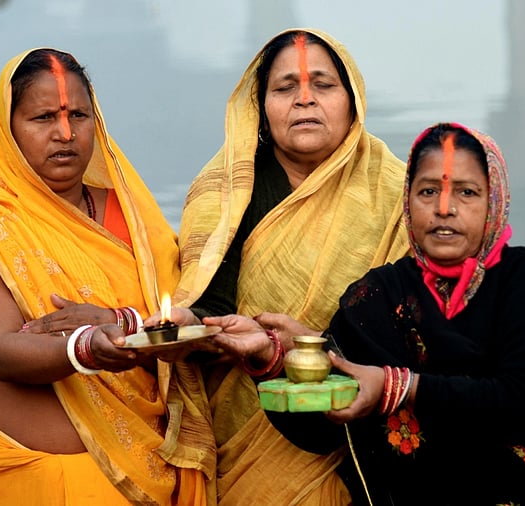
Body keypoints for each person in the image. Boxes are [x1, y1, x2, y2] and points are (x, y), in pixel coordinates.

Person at [206, 122, 525, 505]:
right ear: (407, 200)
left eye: (467, 192)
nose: (444, 209)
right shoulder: (379, 294)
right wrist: (275, 359)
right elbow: (323, 433)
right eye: (428, 191)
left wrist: (399, 387)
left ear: (494, 201)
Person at [0, 48, 214, 505]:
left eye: (78, 115)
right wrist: (88, 346)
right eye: (43, 117)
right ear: (8, 129)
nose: (65, 133)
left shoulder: (137, 220)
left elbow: (179, 323)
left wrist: (121, 322)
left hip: (134, 475)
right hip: (7, 475)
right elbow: (1, 351)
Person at [161, 28, 410, 504]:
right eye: (284, 88)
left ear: (353, 100)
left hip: (362, 427)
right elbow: (208, 305)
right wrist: (180, 325)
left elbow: (415, 324)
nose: (304, 100)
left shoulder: (397, 190)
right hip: (243, 426)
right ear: (261, 106)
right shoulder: (226, 189)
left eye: (323, 85)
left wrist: (312, 348)